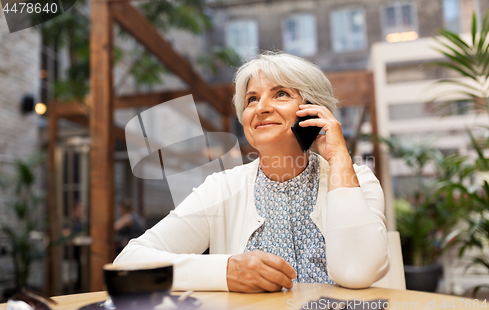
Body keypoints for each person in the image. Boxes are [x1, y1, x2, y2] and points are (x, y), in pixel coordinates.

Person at [114, 52, 390, 293]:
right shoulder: (221, 188)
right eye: (252, 99)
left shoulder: (358, 181)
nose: (261, 108)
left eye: (281, 94)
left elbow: (358, 272)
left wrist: (339, 156)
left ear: (314, 112)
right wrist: (225, 271)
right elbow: (127, 264)